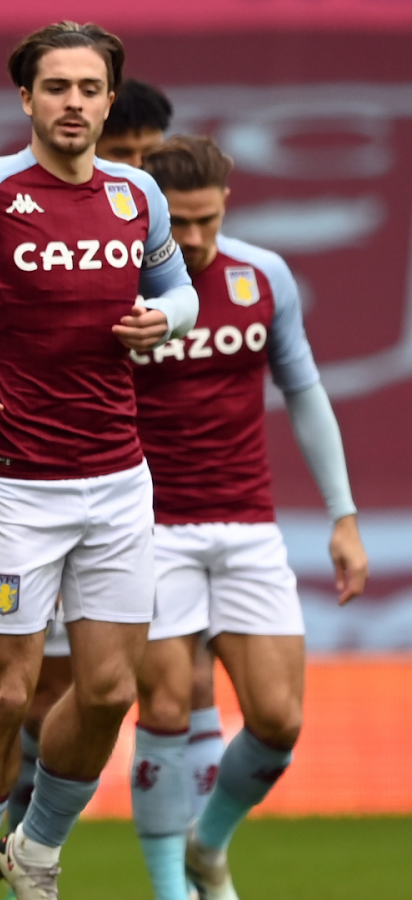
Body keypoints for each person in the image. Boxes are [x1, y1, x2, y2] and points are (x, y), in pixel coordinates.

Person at [0, 22, 198, 899]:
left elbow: (180, 291)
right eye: (56, 87)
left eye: (90, 88)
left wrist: (167, 319)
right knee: (9, 695)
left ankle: (37, 851)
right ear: (26, 97)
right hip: (18, 483)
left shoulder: (138, 194)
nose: (74, 103)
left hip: (119, 479)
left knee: (110, 691)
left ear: (110, 99)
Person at [127, 135, 367, 900]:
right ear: (153, 216)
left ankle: (208, 846)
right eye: (179, 224)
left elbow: (304, 392)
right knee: (165, 708)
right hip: (149, 530)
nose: (195, 238)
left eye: (208, 220)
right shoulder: (118, 289)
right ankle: (171, 892)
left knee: (277, 723)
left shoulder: (263, 276)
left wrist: (343, 516)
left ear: (226, 206)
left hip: (247, 525)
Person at [6, 77, 229, 841]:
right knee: (44, 695)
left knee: (181, 686)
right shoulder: (66, 247)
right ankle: (20, 838)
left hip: (165, 505)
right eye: (124, 152)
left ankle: (190, 870)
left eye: (148, 154)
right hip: (64, 489)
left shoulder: (182, 258)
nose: (137, 169)